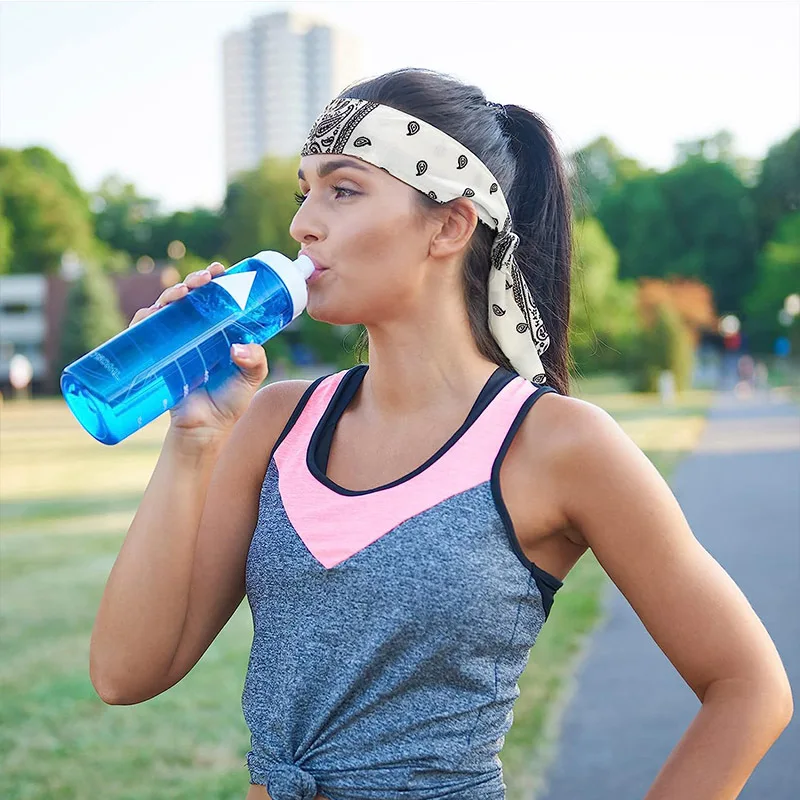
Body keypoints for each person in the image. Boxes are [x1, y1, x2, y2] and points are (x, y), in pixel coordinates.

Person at [89, 68, 792, 800]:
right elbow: (125, 672)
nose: (302, 223)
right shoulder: (274, 422)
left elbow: (748, 688)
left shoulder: (556, 443)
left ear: (450, 225)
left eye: (343, 188)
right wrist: (195, 436)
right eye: (305, 191)